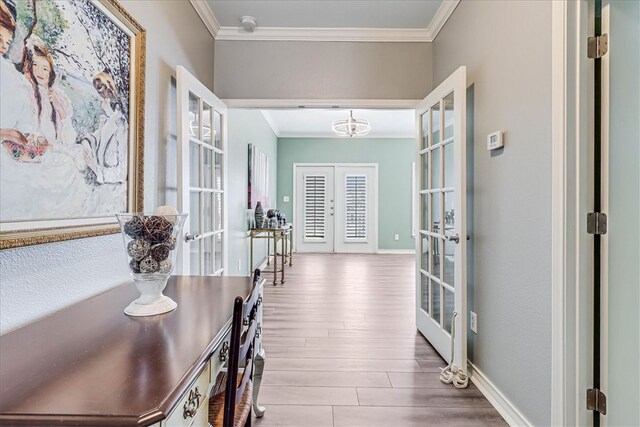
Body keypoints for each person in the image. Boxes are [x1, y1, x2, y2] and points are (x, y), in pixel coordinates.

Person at [21, 35, 77, 148]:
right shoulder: (27, 90)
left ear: (51, 73)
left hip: (56, 153)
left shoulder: (60, 97)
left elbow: (70, 140)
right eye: (35, 65)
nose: (39, 72)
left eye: (45, 68)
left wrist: (59, 107)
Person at [77, 72, 128, 184]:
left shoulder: (122, 123)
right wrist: (86, 139)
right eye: (98, 90)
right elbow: (98, 139)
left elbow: (121, 173)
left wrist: (96, 169)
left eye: (101, 88)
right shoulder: (106, 119)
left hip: (112, 189)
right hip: (100, 182)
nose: (102, 95)